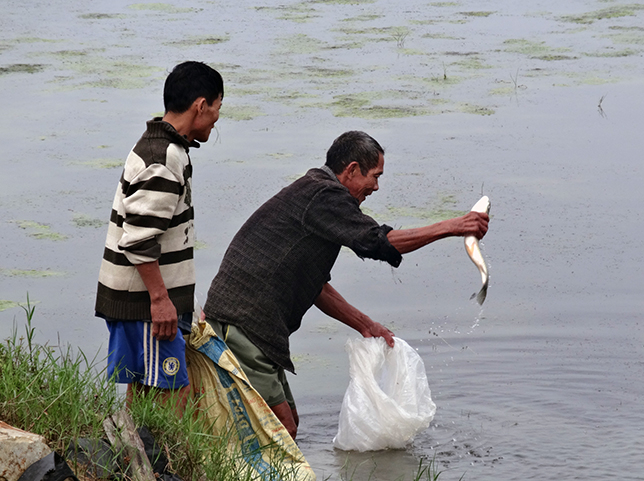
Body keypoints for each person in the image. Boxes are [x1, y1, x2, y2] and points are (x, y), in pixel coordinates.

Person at [203, 131, 489, 439]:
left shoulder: (317, 194)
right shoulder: (324, 196)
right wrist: (452, 226)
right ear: (351, 169)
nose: (376, 187)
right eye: (374, 176)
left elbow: (317, 288)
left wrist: (366, 325)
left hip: (252, 327)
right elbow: (378, 242)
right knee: (278, 430)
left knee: (286, 425)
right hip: (243, 324)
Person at [95, 61, 224, 414]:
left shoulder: (167, 149)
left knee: (146, 387)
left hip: (147, 301)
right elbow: (137, 240)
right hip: (144, 304)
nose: (216, 118)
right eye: (217, 108)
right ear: (200, 105)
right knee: (172, 395)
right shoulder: (163, 157)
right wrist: (161, 301)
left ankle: (139, 464)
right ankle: (162, 466)